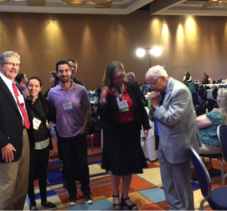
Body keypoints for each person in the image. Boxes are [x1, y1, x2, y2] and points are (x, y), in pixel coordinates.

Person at [0, 51, 34, 211]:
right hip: (6, 143)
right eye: (10, 63)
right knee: (8, 189)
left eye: (16, 64)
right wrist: (3, 143)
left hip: (23, 137)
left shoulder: (15, 85)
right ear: (0, 65)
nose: (14, 67)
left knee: (22, 185)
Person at [146, 65, 201, 211]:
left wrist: (157, 106)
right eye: (148, 84)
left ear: (162, 78)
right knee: (168, 181)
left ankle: (187, 209)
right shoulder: (161, 90)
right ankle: (174, 208)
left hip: (179, 144)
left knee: (182, 183)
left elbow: (171, 118)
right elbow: (153, 117)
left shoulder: (180, 90)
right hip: (164, 141)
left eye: (152, 83)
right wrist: (153, 106)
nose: (151, 88)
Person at [97, 61, 150, 211]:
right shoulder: (103, 89)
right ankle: (115, 194)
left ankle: (125, 195)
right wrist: (103, 98)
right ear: (109, 77)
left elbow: (140, 108)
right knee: (116, 165)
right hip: (114, 133)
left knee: (130, 164)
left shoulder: (132, 86)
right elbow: (102, 113)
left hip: (131, 131)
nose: (119, 81)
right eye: (116, 78)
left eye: (121, 77)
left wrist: (145, 128)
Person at [47, 60, 92, 206]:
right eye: (61, 71)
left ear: (71, 71)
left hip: (79, 134)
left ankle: (86, 192)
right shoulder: (52, 93)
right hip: (63, 136)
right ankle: (72, 194)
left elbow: (87, 109)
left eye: (66, 70)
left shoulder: (80, 89)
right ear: (57, 73)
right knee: (68, 166)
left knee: (83, 165)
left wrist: (84, 127)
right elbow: (47, 110)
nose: (64, 73)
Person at [26, 77, 57, 211]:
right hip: (29, 144)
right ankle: (32, 203)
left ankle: (44, 200)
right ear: (27, 87)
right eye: (30, 86)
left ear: (40, 88)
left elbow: (53, 117)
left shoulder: (45, 103)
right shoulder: (23, 103)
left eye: (36, 86)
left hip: (44, 141)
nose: (33, 88)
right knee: (30, 175)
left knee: (43, 173)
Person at [196, 88, 227, 154]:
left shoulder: (217, 115)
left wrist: (210, 113)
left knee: (183, 143)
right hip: (223, 146)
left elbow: (197, 122)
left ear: (219, 100)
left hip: (211, 146)